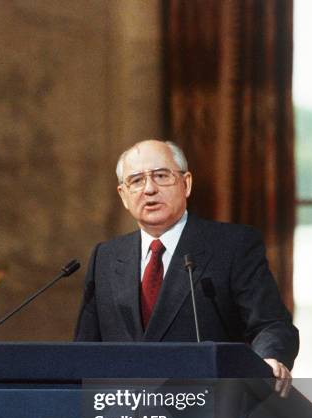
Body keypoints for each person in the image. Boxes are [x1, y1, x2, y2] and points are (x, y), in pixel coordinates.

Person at [75, 139, 299, 386]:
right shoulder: (105, 257)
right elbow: (84, 348)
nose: (149, 189)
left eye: (161, 176)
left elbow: (271, 325)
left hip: (205, 408)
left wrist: (267, 360)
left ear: (186, 183)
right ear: (124, 195)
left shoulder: (233, 245)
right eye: (136, 180)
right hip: (122, 413)